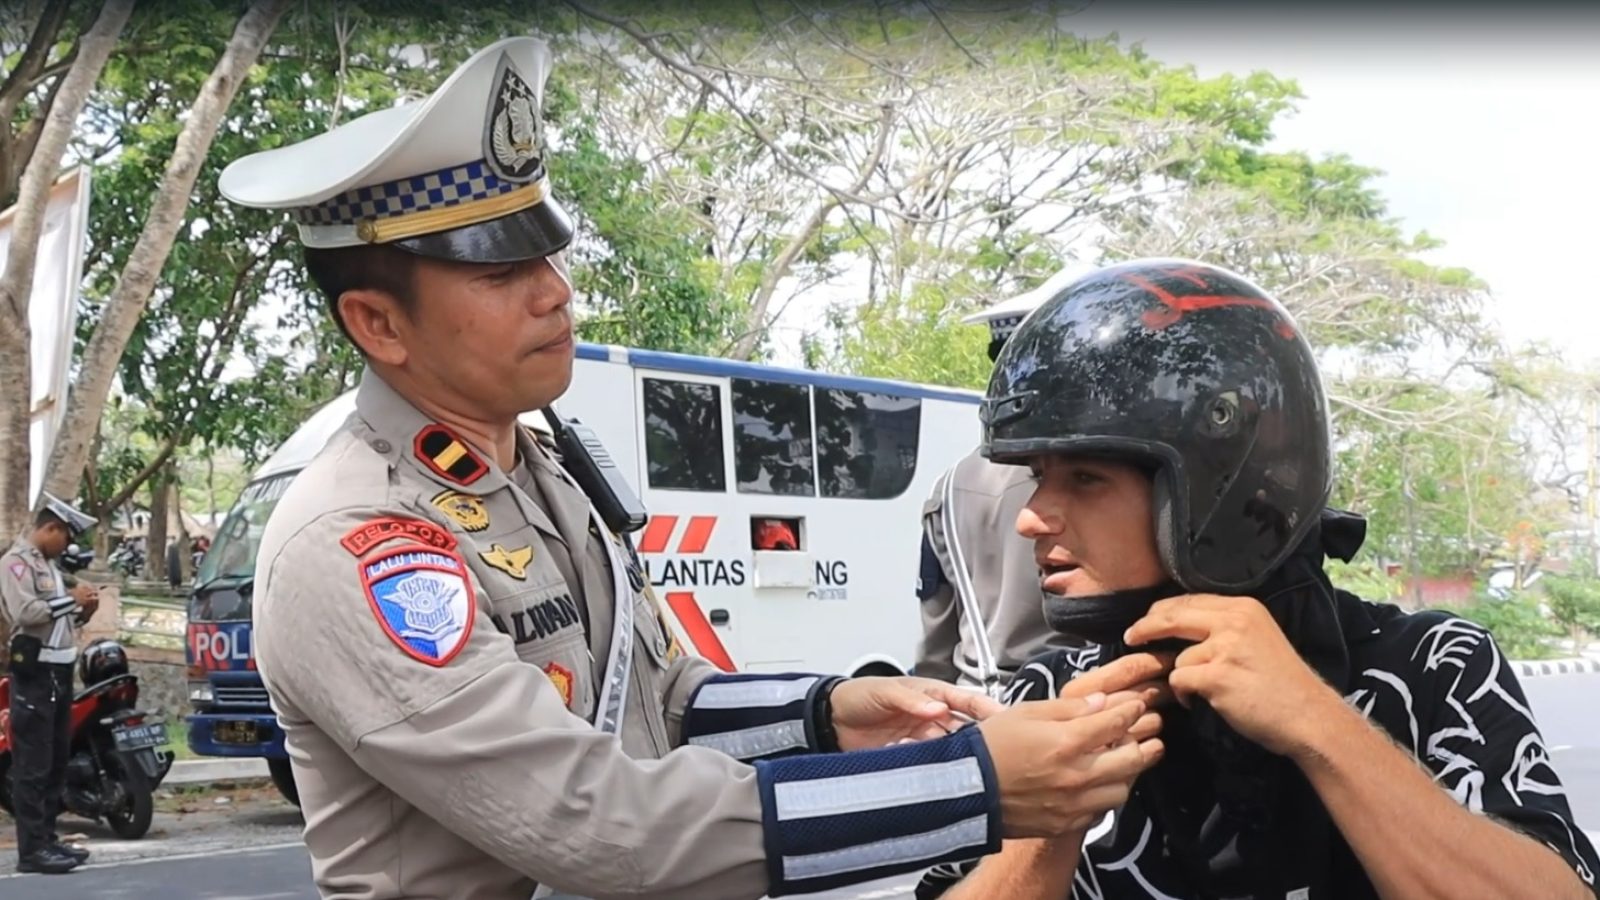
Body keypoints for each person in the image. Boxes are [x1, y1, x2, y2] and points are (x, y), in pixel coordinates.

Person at [219, 37, 1163, 900]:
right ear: (379, 324)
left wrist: (829, 713)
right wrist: (975, 787)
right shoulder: (361, 539)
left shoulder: (538, 469)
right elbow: (593, 820)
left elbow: (660, 702)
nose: (557, 293)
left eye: (547, 253)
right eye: (500, 276)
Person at [918, 258, 1600, 899]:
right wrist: (1052, 826)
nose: (1032, 519)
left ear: (1220, 489)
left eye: (1086, 479)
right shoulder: (1045, 696)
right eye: (1038, 479)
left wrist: (1315, 720)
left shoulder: (1431, 667)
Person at [916, 267, 1089, 695]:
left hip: (974, 705)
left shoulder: (949, 485)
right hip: (1077, 703)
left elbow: (935, 647)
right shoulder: (1101, 473)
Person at [1, 492, 99, 875]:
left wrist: (83, 609)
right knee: (34, 764)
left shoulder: (51, 567)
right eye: (66, 537)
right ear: (50, 528)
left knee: (57, 760)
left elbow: (60, 623)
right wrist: (70, 599)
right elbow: (26, 613)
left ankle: (49, 840)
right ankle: (32, 851)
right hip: (35, 673)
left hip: (60, 670)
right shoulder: (15, 564)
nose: (68, 545)